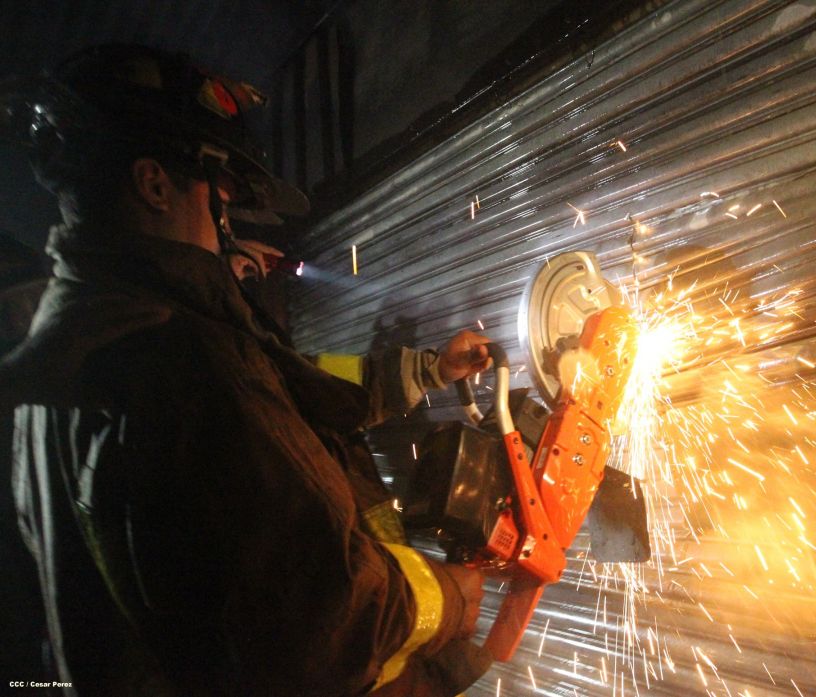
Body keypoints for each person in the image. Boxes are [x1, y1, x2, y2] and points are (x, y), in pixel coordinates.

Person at [0, 44, 493, 696]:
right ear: (154, 183)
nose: (224, 224)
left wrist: (428, 369)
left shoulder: (56, 372)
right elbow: (330, 623)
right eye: (217, 195)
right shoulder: (181, 362)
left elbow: (301, 388)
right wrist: (448, 598)